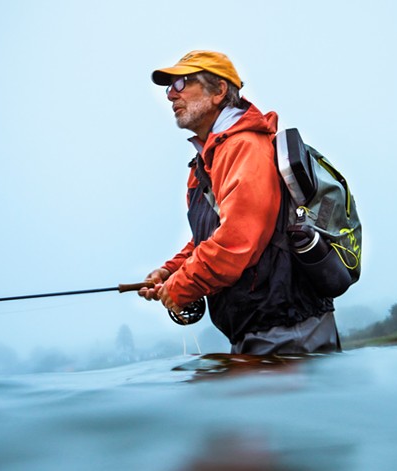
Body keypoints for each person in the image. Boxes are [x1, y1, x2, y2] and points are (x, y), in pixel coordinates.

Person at [138, 50, 340, 355]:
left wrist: (182, 285)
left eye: (181, 83)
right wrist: (170, 272)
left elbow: (237, 241)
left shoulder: (244, 147)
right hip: (260, 330)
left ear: (219, 91)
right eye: (169, 87)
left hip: (288, 330)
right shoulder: (205, 162)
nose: (170, 96)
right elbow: (210, 238)